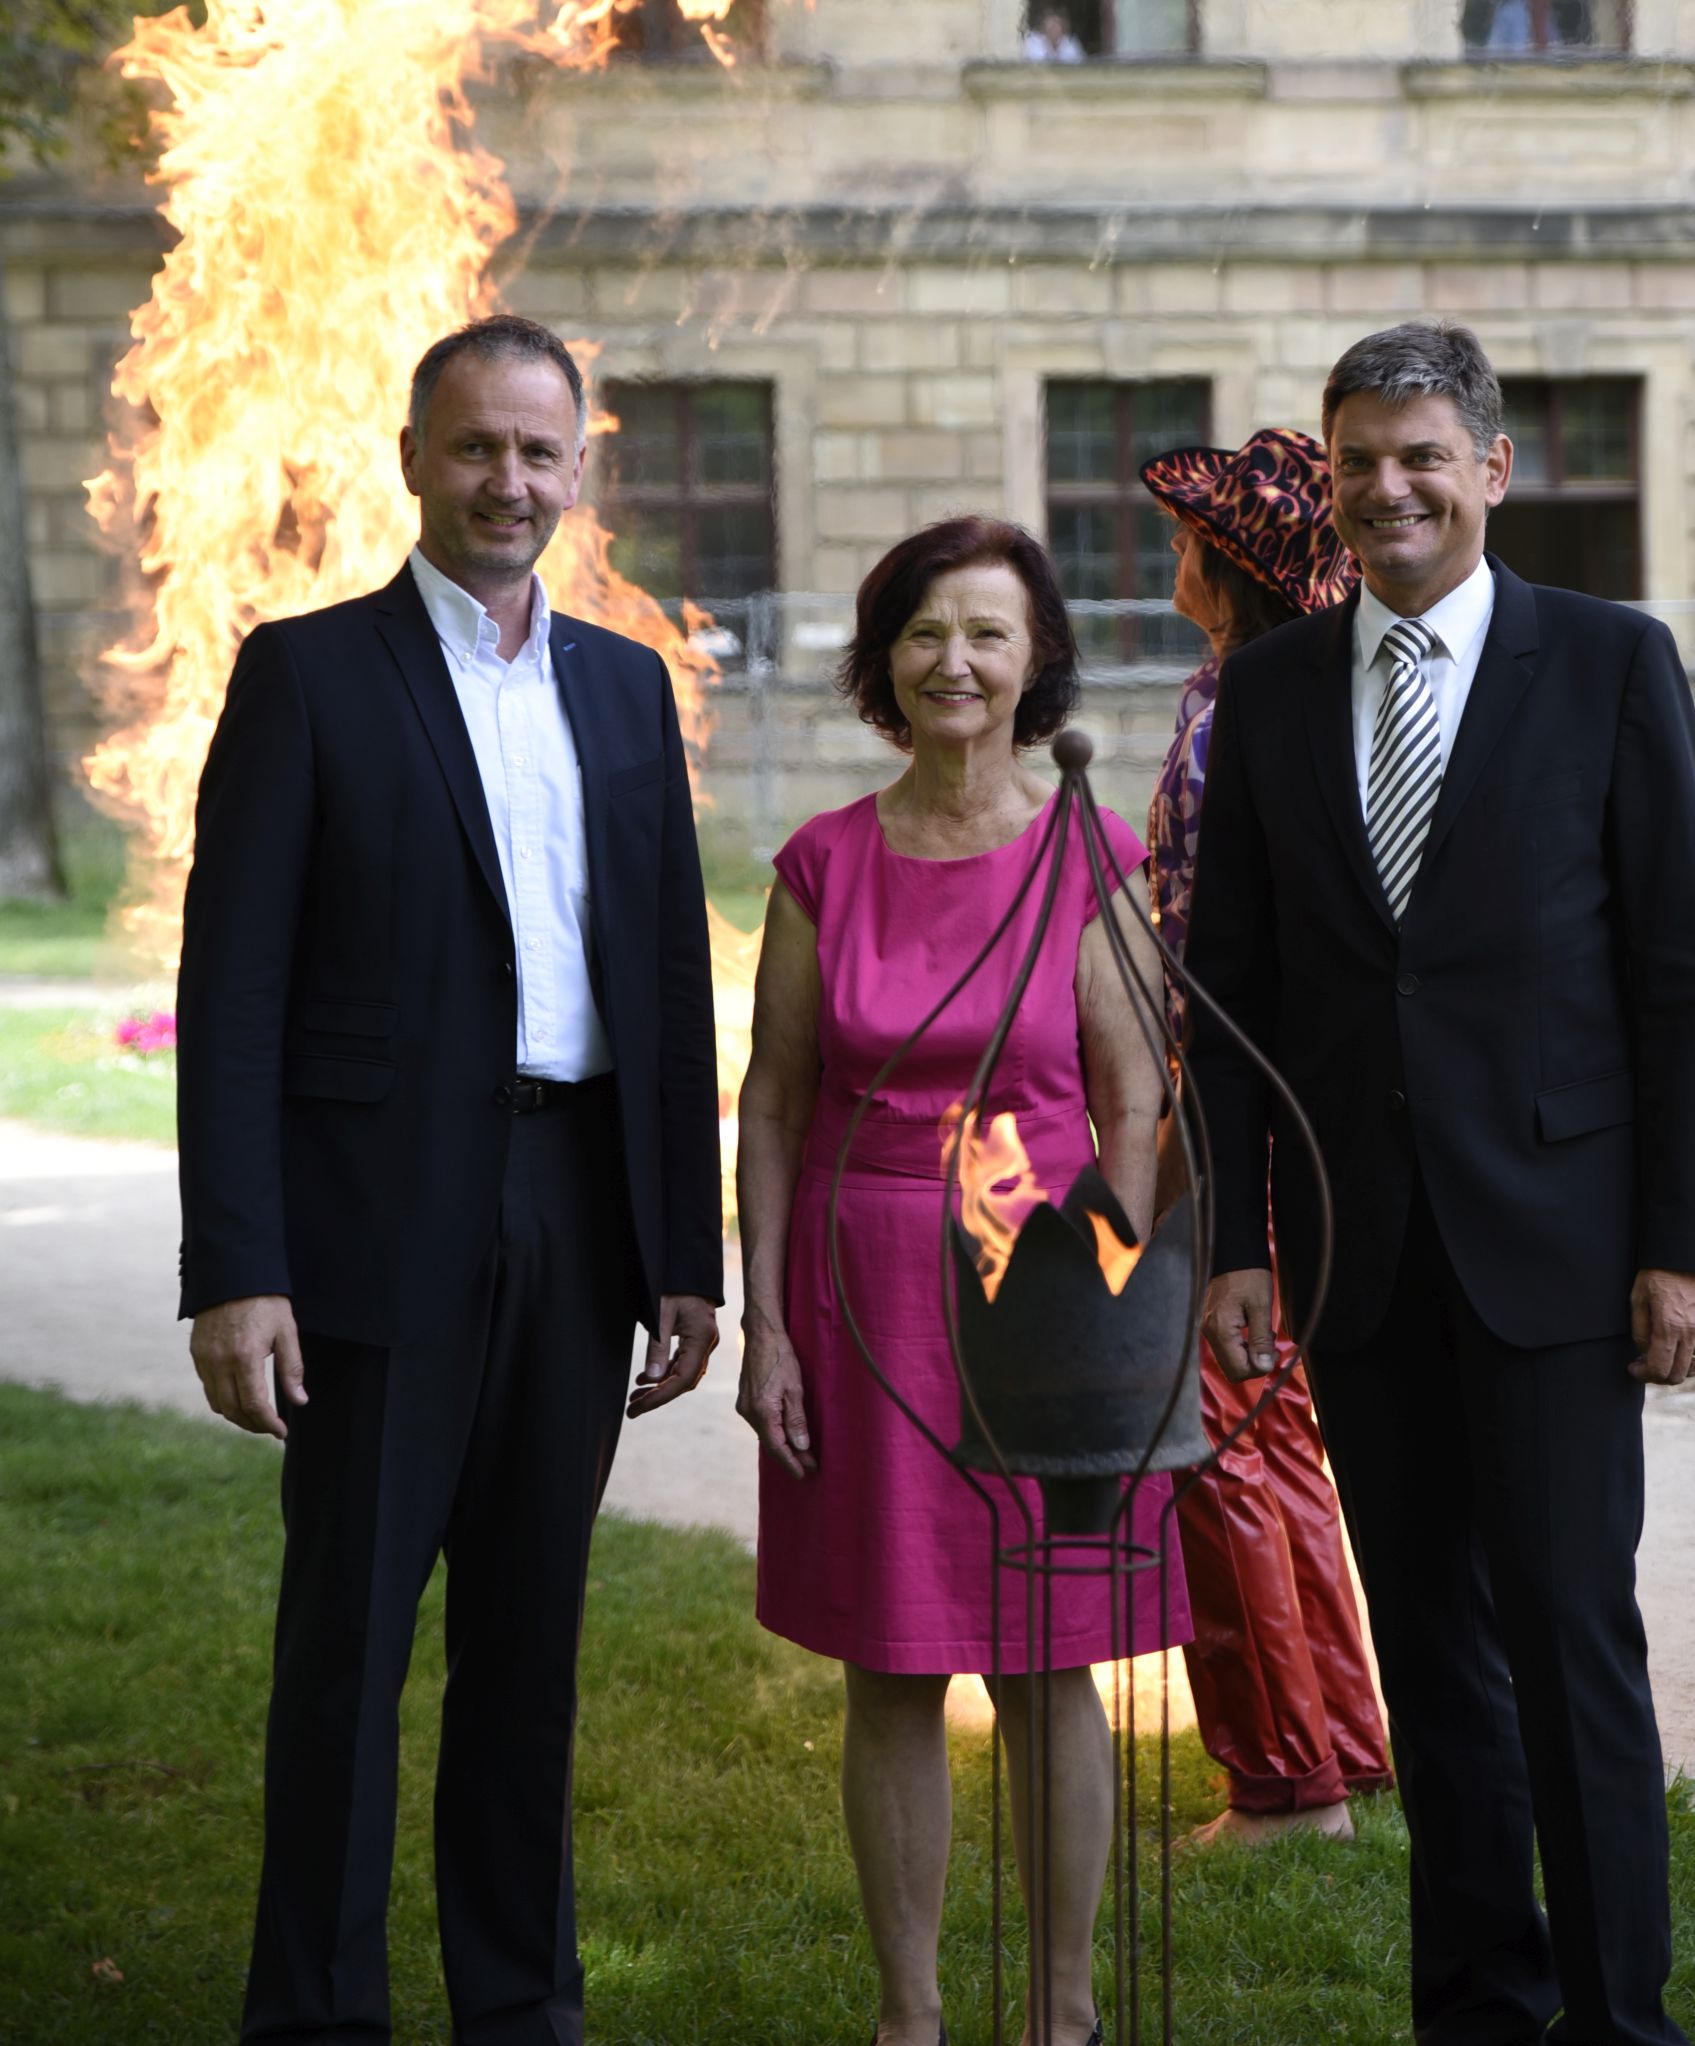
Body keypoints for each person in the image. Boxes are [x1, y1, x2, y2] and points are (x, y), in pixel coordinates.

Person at [1186, 322, 1695, 2046]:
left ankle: (1617, 2019)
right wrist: (1232, 1244)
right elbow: (1235, 998)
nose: (1389, 488)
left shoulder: (1610, 664)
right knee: (1432, 1661)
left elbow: (1682, 976)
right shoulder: (1272, 687)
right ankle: (1480, 2013)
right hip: (1363, 1262)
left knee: (1573, 1648)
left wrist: (1685, 1251)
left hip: (1563, 1260)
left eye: (1423, 455)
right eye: (1358, 459)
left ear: (1493, 468)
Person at [177, 313, 724, 2045]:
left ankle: (518, 1999)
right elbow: (235, 988)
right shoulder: (308, 674)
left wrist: (681, 1251)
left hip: (574, 1209)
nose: (509, 480)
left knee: (530, 1640)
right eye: (476, 448)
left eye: (539, 452)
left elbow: (659, 978)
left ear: (581, 467)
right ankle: (320, 2012)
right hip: (373, 1221)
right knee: (346, 1648)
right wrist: (236, 1263)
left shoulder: (630, 687)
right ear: (413, 460)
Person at [736, 517, 1189, 2046]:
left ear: (1033, 662)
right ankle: (912, 2016)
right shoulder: (825, 860)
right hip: (864, 1285)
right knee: (891, 1661)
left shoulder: (1090, 848)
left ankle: (1061, 2016)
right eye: (928, 631)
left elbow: (1134, 1094)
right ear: (887, 657)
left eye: (989, 634)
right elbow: (776, 1101)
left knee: (1050, 1661)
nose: (958, 661)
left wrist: (1107, 1298)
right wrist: (771, 1329)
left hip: (1035, 1267)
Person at [1140, 426, 1393, 1846]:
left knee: (1213, 1438)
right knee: (1273, 1429)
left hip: (1239, 1104)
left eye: (1192, 536)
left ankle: (1287, 1783)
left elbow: (1228, 944)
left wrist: (1181, 1119)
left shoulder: (1248, 706)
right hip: (1260, 1104)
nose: (1172, 555)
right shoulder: (1261, 690)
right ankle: (1344, 1746)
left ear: (1230, 565)